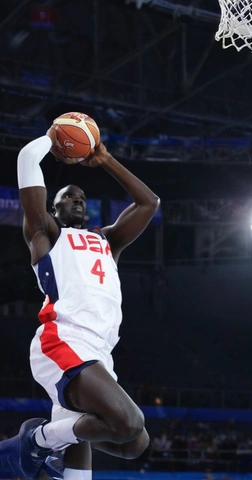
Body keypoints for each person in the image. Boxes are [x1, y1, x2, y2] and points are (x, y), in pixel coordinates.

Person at [0, 125, 160, 480]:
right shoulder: (47, 233)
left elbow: (150, 202)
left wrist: (105, 159)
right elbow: (27, 158)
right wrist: (53, 137)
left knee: (134, 443)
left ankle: (54, 442)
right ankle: (38, 439)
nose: (77, 200)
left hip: (100, 350)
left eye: (82, 198)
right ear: (53, 208)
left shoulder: (108, 241)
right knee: (129, 421)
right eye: (68, 197)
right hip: (63, 339)